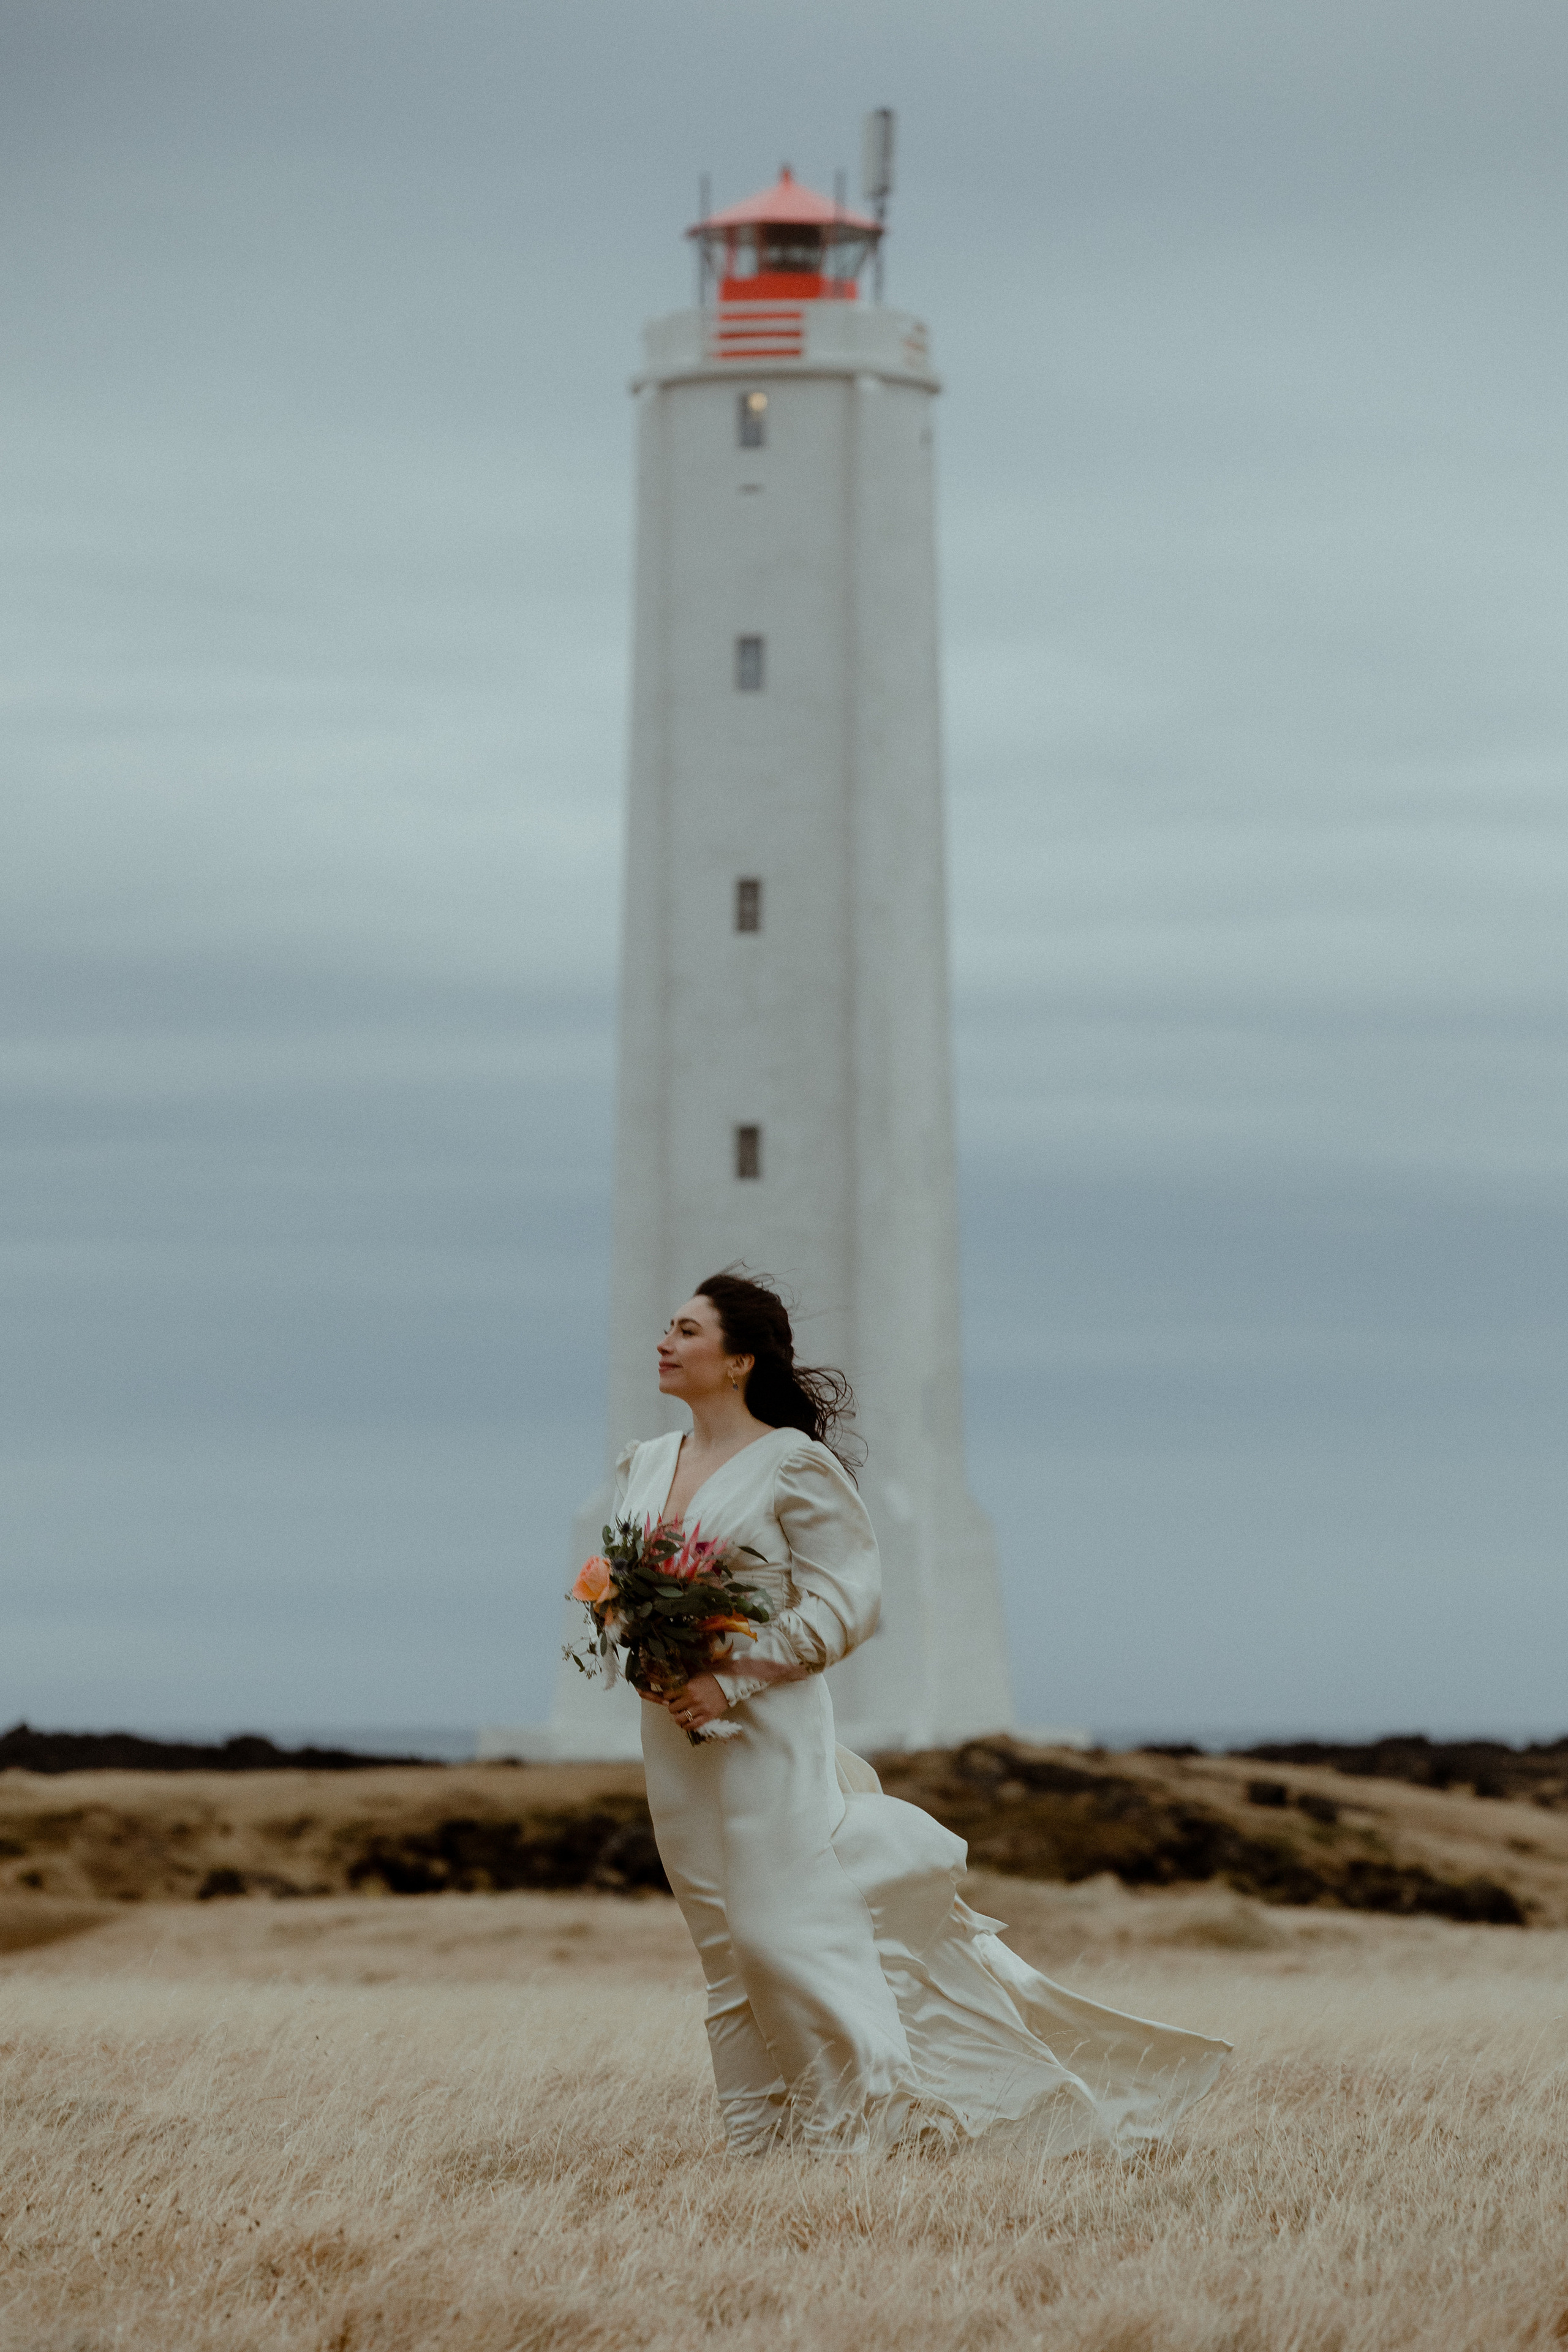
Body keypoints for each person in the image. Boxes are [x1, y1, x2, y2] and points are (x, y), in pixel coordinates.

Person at [621, 1268, 1231, 2157]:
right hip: (673, 1733)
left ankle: (863, 2134)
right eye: (666, 1328)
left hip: (769, 1731)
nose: (665, 1342)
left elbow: (848, 1603)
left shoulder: (796, 1464)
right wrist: (644, 1655)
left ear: (740, 1359)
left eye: (686, 1330)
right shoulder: (643, 1463)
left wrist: (734, 1676)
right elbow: (622, 1590)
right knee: (722, 1945)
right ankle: (759, 2150)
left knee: (780, 1931)